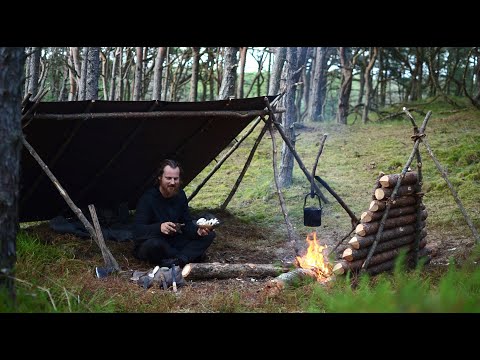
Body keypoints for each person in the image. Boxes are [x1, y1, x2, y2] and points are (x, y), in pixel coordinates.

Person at [132, 159, 215, 268]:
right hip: (155, 242)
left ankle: (178, 260)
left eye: (176, 179)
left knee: (209, 235)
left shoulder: (180, 195)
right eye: (168, 178)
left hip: (174, 240)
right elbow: (137, 231)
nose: (172, 182)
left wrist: (197, 231)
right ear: (160, 178)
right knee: (154, 245)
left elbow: (187, 224)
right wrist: (159, 228)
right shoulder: (148, 198)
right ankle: (187, 256)